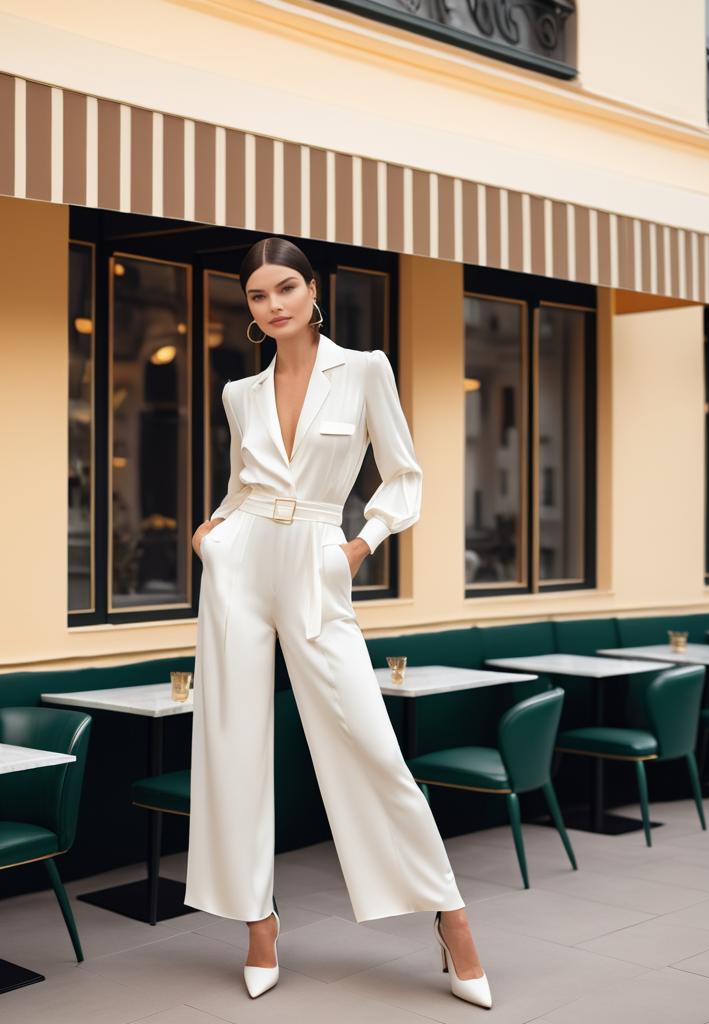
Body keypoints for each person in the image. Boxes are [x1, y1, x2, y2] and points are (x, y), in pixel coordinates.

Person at [183, 236, 491, 1009]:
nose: (274, 304)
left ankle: (450, 915)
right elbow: (237, 489)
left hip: (320, 559)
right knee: (231, 743)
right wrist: (208, 536)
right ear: (249, 308)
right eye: (258, 295)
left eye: (286, 287)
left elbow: (404, 475)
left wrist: (359, 546)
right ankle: (258, 922)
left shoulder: (365, 370)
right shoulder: (239, 395)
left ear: (314, 290)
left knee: (368, 740)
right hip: (240, 563)